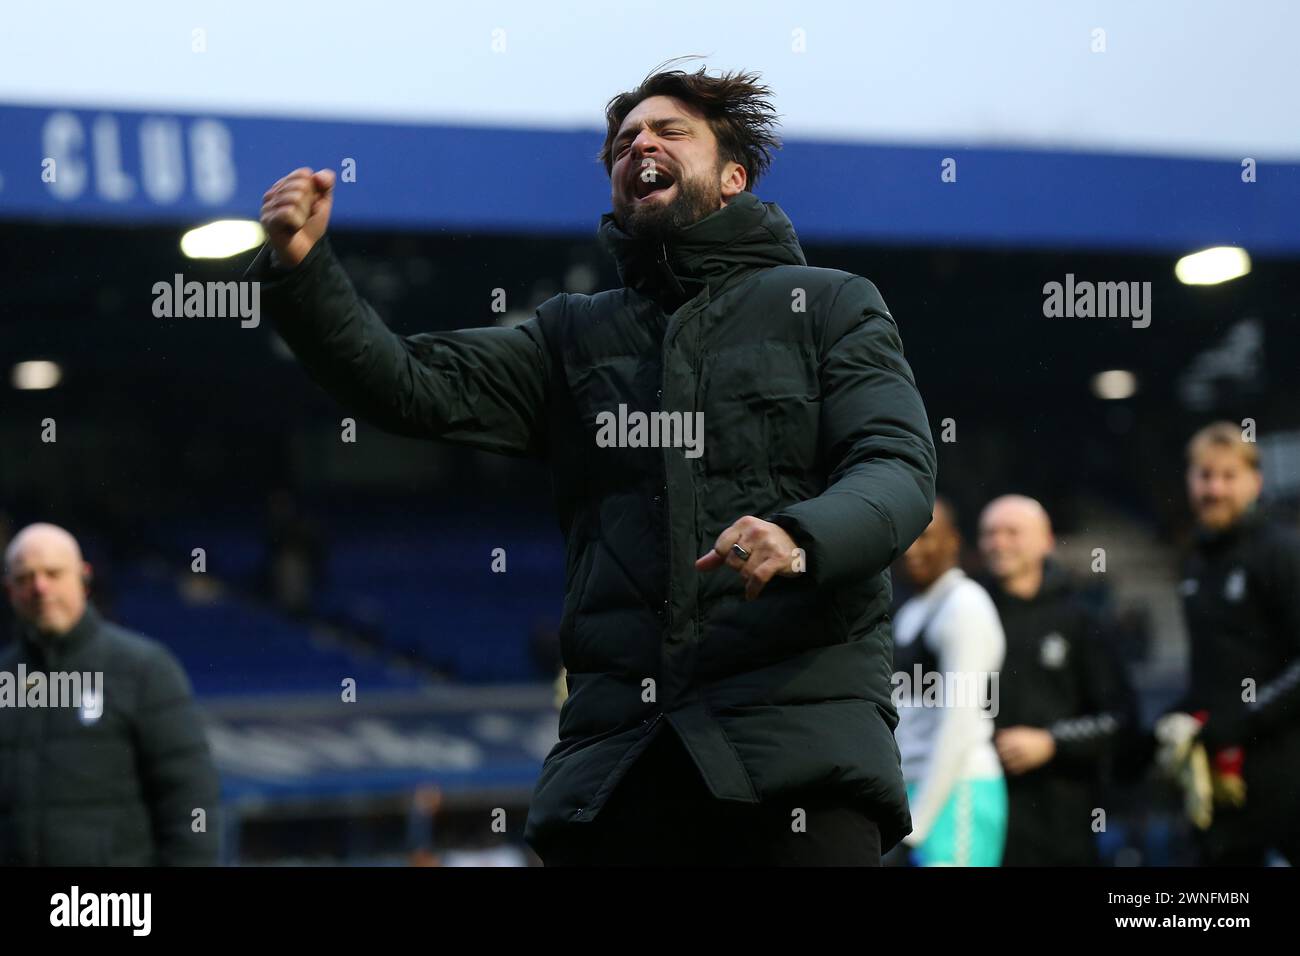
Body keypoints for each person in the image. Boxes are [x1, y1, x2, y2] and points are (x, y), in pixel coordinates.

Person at [247, 62, 935, 866]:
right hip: (617, 775)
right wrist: (303, 271)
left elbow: (896, 470)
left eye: (669, 131)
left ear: (733, 178)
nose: (639, 142)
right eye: (622, 141)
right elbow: (409, 384)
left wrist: (802, 535)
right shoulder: (572, 334)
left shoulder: (830, 306)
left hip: (796, 766)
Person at [0, 523, 219, 865]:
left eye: (53, 573)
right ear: (9, 590)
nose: (40, 587)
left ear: (83, 578)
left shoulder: (143, 669)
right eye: (25, 577)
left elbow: (190, 799)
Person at [1159, 422, 1300, 865]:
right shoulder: (1196, 563)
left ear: (1255, 482)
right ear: (1189, 481)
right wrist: (1179, 716)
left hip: (1288, 778)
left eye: (1227, 475)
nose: (1214, 488)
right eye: (1204, 475)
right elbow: (1216, 670)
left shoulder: (1281, 552)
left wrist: (1245, 717)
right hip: (1226, 783)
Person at [978, 495, 1134, 866]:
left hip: (1063, 821)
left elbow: (1122, 720)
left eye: (1011, 532)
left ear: (1046, 540)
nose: (998, 542)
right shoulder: (968, 612)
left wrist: (1051, 742)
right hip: (982, 809)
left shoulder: (1081, 619)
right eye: (989, 533)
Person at [893, 498, 1007, 866]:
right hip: (917, 792)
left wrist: (919, 827)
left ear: (953, 541)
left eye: (926, 537)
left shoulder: (965, 606)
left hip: (959, 792)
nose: (913, 549)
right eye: (907, 537)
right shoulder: (911, 610)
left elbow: (959, 724)